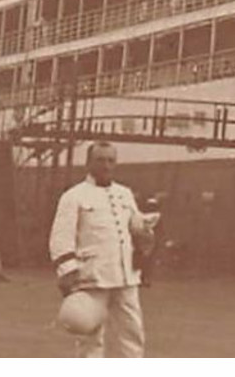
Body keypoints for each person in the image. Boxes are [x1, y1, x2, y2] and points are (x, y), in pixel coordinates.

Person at [50, 142, 159, 358]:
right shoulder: (74, 196)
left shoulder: (124, 194)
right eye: (100, 160)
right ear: (89, 163)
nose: (106, 165)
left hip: (125, 274)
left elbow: (132, 225)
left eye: (111, 160)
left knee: (132, 331)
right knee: (90, 334)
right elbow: (61, 236)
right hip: (92, 274)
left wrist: (144, 230)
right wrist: (68, 271)